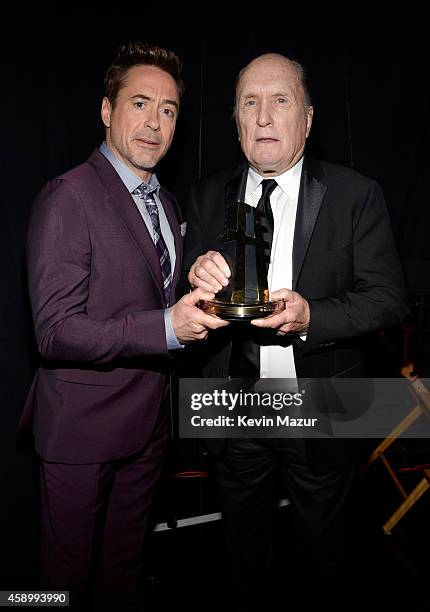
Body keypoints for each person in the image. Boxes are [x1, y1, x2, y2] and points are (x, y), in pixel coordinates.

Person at [182, 53, 409, 610]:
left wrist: (314, 317)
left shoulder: (356, 195)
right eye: (249, 104)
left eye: (279, 101)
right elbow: (184, 299)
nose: (263, 117)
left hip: (325, 405)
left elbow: (388, 300)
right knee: (242, 552)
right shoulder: (206, 196)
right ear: (234, 122)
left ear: (307, 119)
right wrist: (194, 277)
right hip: (233, 411)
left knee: (328, 554)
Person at [17, 42, 227, 611]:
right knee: (58, 584)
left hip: (148, 427)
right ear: (107, 110)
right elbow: (54, 331)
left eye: (168, 110)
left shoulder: (165, 201)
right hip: (81, 432)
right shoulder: (67, 197)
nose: (154, 123)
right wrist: (165, 326)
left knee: (124, 573)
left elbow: (149, 287)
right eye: (139, 103)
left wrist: (196, 282)